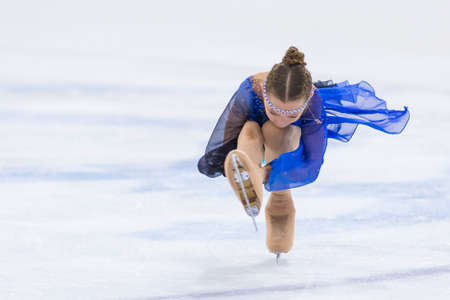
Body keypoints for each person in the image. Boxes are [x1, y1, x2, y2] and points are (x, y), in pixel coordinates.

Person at [197, 46, 410, 259]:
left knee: (279, 130)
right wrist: (225, 160)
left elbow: (312, 160)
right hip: (249, 138)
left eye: (291, 114)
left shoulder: (313, 105)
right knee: (250, 129)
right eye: (274, 111)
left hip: (285, 144)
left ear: (306, 101)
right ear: (264, 93)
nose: (281, 118)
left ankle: (279, 199)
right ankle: (251, 180)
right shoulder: (251, 89)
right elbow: (229, 133)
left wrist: (265, 173)